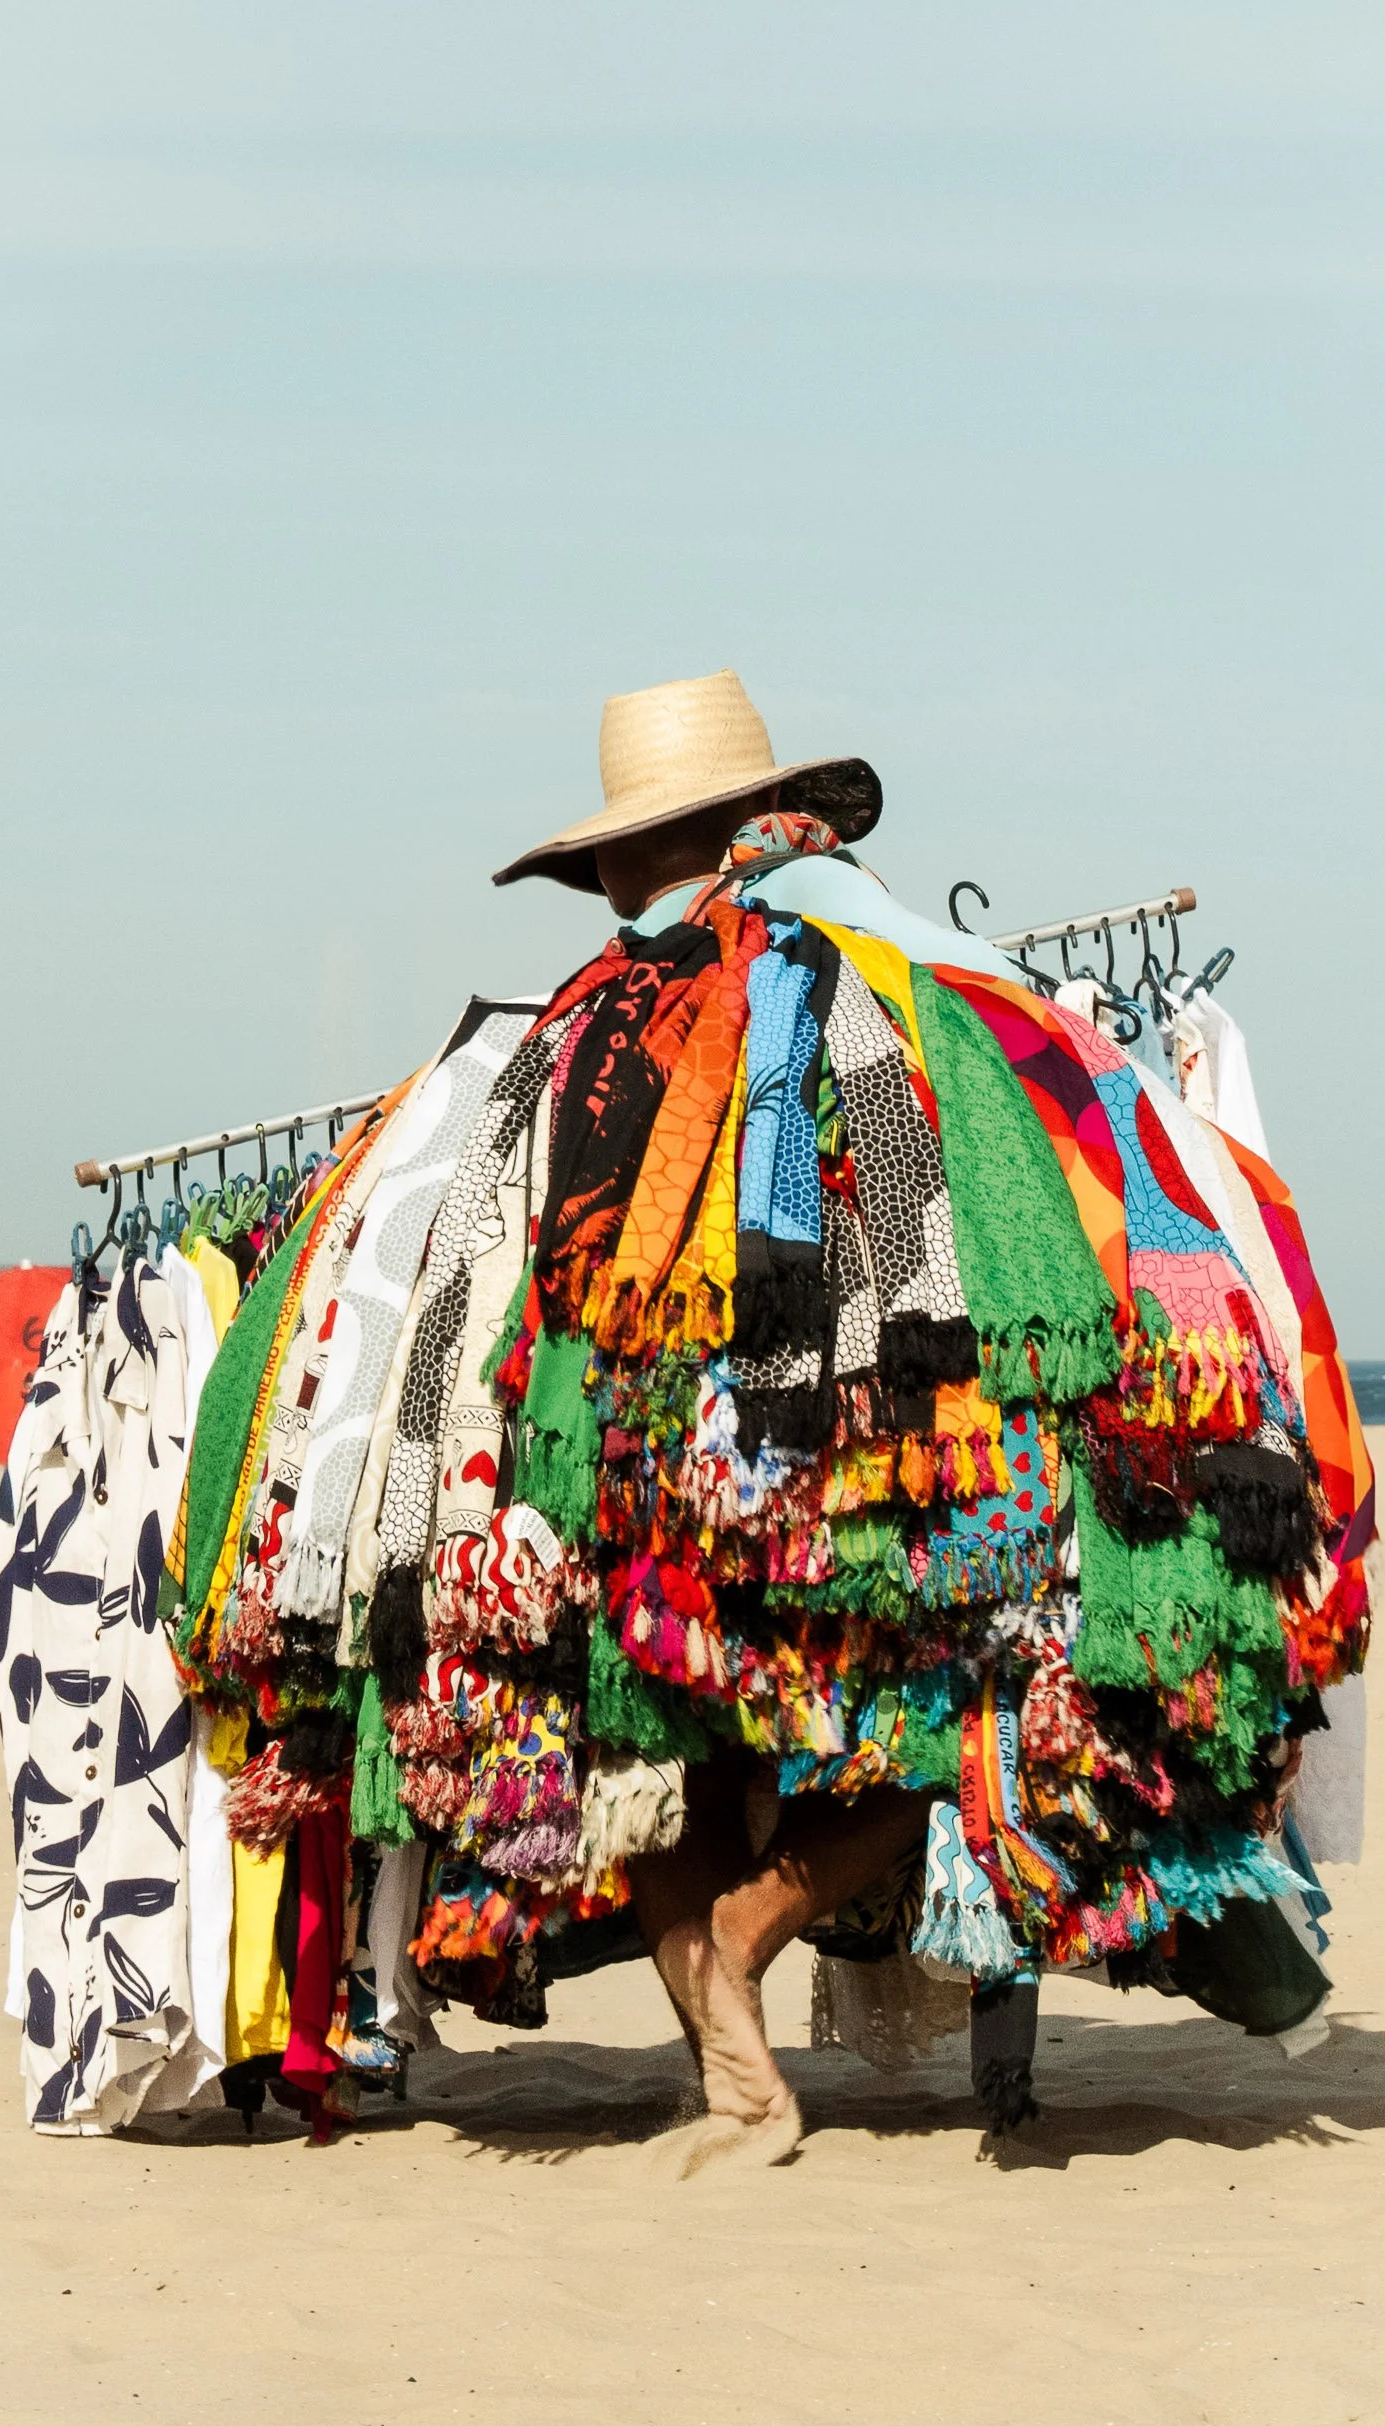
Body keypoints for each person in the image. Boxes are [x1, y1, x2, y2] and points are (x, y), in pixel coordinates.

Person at [492, 668, 998, 2165]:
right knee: (669, 1725)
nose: (617, 886)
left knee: (736, 1717)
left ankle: (737, 1964)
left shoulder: (827, 965)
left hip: (761, 1411)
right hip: (710, 1417)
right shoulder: (635, 1009)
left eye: (624, 856)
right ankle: (736, 2034)